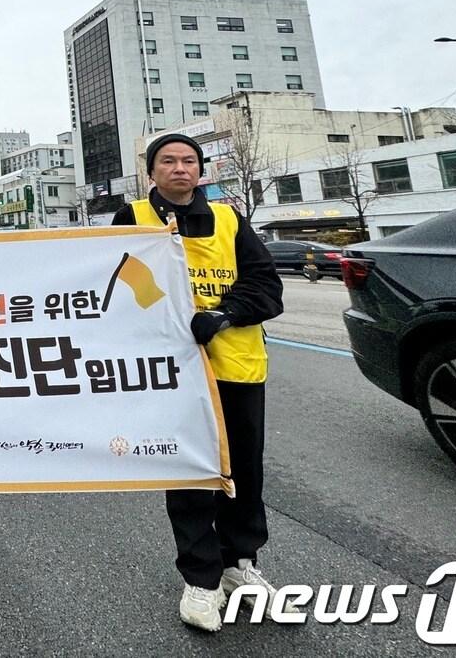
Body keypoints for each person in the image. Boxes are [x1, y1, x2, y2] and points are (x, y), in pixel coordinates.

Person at [112, 133, 286, 633]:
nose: (180, 169)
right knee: (189, 471)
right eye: (168, 161)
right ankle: (200, 578)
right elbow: (107, 282)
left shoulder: (231, 219)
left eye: (189, 161)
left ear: (201, 170)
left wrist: (225, 313)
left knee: (243, 470)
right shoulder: (132, 219)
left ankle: (239, 565)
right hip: (169, 372)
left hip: (236, 365)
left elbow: (266, 286)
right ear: (151, 172)